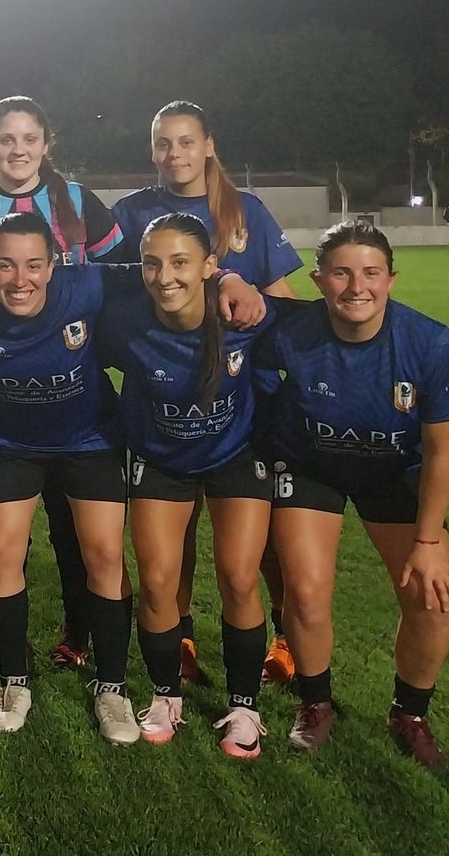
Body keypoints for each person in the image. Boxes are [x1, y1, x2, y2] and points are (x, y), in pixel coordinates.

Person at [264, 221, 449, 769]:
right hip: (312, 468)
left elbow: (442, 452)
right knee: (305, 592)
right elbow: (227, 316)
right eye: (341, 273)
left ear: (391, 279)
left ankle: (410, 714)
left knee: (432, 595)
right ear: (318, 280)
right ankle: (315, 703)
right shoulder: (291, 330)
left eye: (371, 273)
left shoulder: (431, 342)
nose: (357, 287)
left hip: (395, 471)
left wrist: (428, 539)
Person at [111, 100, 303, 685]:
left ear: (209, 145)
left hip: (249, 395)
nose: (175, 154)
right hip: (166, 394)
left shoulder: (245, 210)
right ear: (152, 150)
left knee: (253, 547)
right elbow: (121, 289)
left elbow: (284, 301)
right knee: (172, 540)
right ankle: (183, 636)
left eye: (186, 142)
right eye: (163, 143)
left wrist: (249, 300)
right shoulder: (133, 211)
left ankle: (283, 635)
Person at [0, 94, 125, 670]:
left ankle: (80, 633)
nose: (17, 149)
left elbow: (122, 282)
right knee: (11, 541)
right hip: (1, 392)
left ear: (47, 144)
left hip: (75, 392)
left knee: (79, 537)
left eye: (28, 138)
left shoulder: (78, 201)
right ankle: (15, 662)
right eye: (5, 139)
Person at [97, 212, 277, 759]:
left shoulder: (245, 316)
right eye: (152, 263)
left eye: (180, 262)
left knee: (240, 577)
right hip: (160, 458)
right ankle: (166, 694)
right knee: (156, 582)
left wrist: (237, 283)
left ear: (208, 266)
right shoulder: (124, 320)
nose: (165, 276)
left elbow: (317, 330)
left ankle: (245, 706)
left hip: (233, 456)